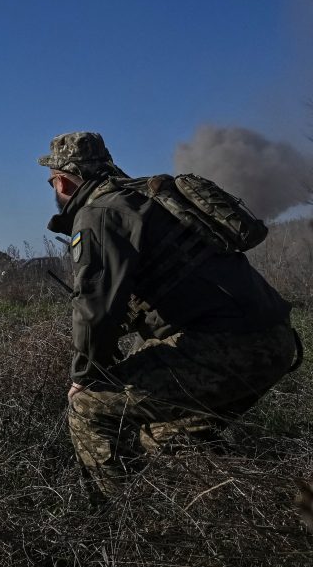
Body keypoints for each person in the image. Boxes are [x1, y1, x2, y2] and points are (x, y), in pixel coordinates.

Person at [39, 132, 298, 500]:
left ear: (62, 181)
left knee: (87, 409)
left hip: (227, 347)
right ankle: (235, 507)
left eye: (51, 182)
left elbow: (95, 308)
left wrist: (84, 377)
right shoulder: (150, 198)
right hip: (275, 340)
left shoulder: (99, 212)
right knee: (165, 436)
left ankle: (126, 520)